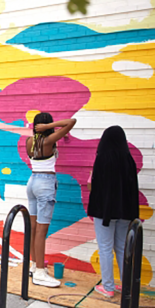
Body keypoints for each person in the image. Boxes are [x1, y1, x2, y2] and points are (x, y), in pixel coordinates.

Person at [88, 126, 139, 297]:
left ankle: (108, 287)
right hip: (124, 211)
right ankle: (127, 286)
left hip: (105, 212)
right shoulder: (128, 159)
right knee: (122, 248)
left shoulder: (103, 159)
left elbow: (96, 187)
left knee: (105, 248)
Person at [26, 113, 76, 288]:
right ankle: (39, 272)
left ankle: (33, 265)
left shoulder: (29, 141)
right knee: (41, 230)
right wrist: (48, 127)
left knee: (33, 228)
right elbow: (71, 122)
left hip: (32, 181)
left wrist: (43, 129)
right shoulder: (47, 141)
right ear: (46, 125)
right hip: (45, 183)